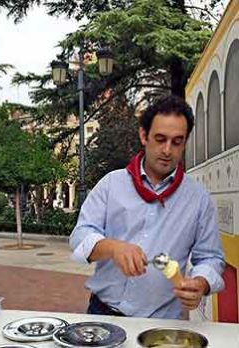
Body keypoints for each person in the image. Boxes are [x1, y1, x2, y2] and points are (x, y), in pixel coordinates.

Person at [70, 95, 225, 319]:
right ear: (144, 135)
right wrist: (114, 247)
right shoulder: (112, 184)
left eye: (177, 141)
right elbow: (79, 237)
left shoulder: (198, 199)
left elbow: (211, 257)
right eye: (160, 139)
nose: (167, 150)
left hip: (161, 321)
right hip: (102, 313)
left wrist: (201, 283)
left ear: (185, 141)